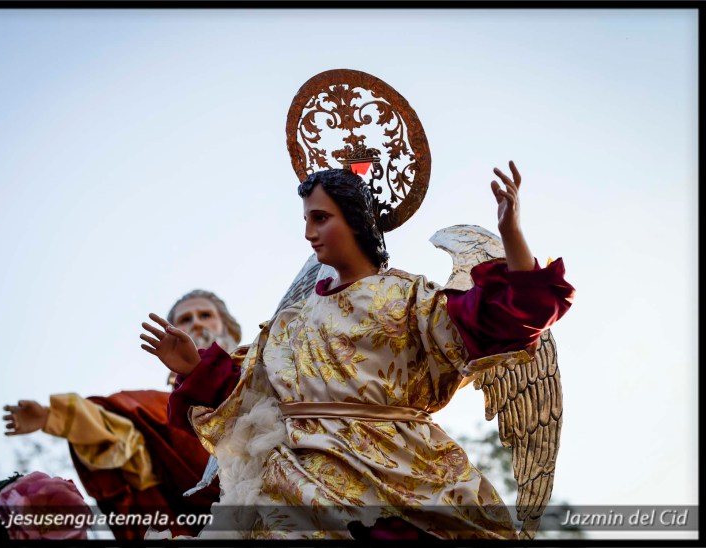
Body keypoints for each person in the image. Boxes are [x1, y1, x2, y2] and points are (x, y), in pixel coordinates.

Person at [141, 163, 575, 540]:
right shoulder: (290, 321)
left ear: (354, 219)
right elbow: (251, 397)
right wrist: (193, 367)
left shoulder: (407, 297)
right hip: (297, 482)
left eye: (320, 218)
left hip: (401, 474)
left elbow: (506, 317)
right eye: (306, 220)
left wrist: (512, 234)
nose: (308, 233)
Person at [3, 290, 241, 540]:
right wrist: (50, 416)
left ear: (229, 328)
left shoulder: (264, 374)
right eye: (185, 319)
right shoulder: (156, 410)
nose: (196, 323)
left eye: (205, 315)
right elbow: (117, 430)